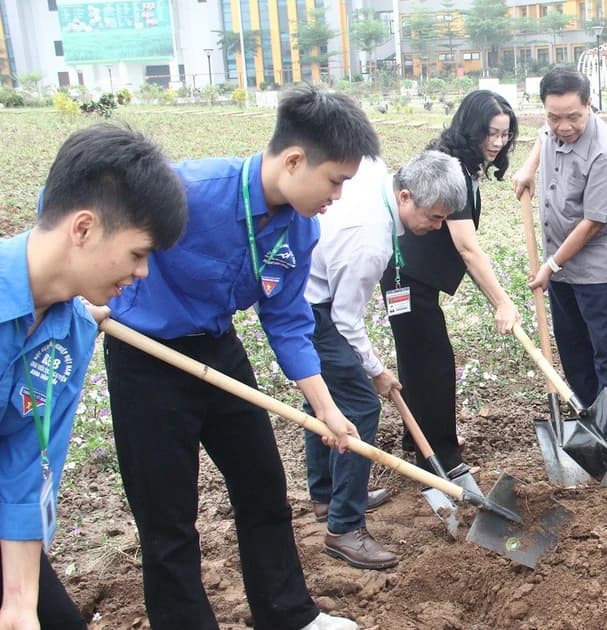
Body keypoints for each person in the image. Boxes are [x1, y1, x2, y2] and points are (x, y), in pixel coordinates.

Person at [103, 86, 378, 630]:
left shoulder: (300, 228)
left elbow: (287, 318)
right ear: (295, 160)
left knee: (262, 487)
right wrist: (92, 293)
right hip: (147, 358)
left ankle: (287, 615)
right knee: (168, 517)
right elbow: (66, 203)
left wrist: (325, 407)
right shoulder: (192, 190)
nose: (338, 196)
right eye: (335, 181)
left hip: (219, 350)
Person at [0, 125, 186, 629]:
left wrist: (18, 604)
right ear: (83, 229)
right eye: (137, 253)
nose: (143, 273)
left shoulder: (70, 332)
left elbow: (24, 461)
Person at [306, 151, 467, 570]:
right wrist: (376, 370)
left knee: (323, 397)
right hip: (314, 308)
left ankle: (327, 496)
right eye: (433, 217)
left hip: (314, 293)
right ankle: (344, 527)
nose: (436, 228)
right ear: (406, 196)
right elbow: (343, 320)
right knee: (357, 406)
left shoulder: (379, 178)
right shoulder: (371, 239)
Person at [380, 90, 520, 476]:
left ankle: (421, 437)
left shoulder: (462, 162)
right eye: (489, 133)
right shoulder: (451, 169)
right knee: (432, 362)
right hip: (405, 276)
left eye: (504, 134)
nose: (496, 142)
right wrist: (502, 302)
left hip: (411, 276)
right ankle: (442, 458)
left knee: (419, 358)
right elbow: (467, 248)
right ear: (470, 128)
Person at [513, 67, 607, 406]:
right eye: (555, 117)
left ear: (590, 105)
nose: (563, 127)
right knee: (570, 343)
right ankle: (587, 414)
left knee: (603, 348)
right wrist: (529, 167)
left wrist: (550, 265)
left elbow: (593, 221)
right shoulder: (553, 128)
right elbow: (542, 135)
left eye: (573, 118)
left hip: (596, 267)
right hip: (559, 260)